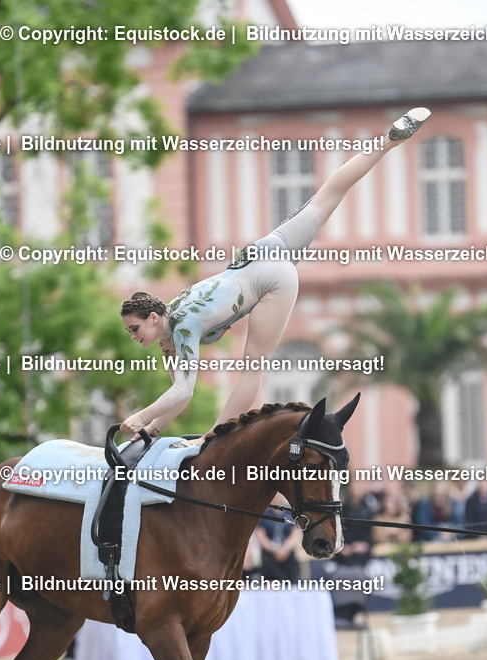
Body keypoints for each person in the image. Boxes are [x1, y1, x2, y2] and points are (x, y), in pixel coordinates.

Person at [119, 108, 432, 440]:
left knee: (253, 365)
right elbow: (178, 395)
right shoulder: (170, 332)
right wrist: (152, 429)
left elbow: (183, 391)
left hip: (271, 281)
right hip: (262, 251)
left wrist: (140, 417)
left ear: (153, 318)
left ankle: (212, 438)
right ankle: (388, 140)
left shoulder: (182, 328)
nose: (133, 336)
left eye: (134, 328)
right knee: (325, 197)